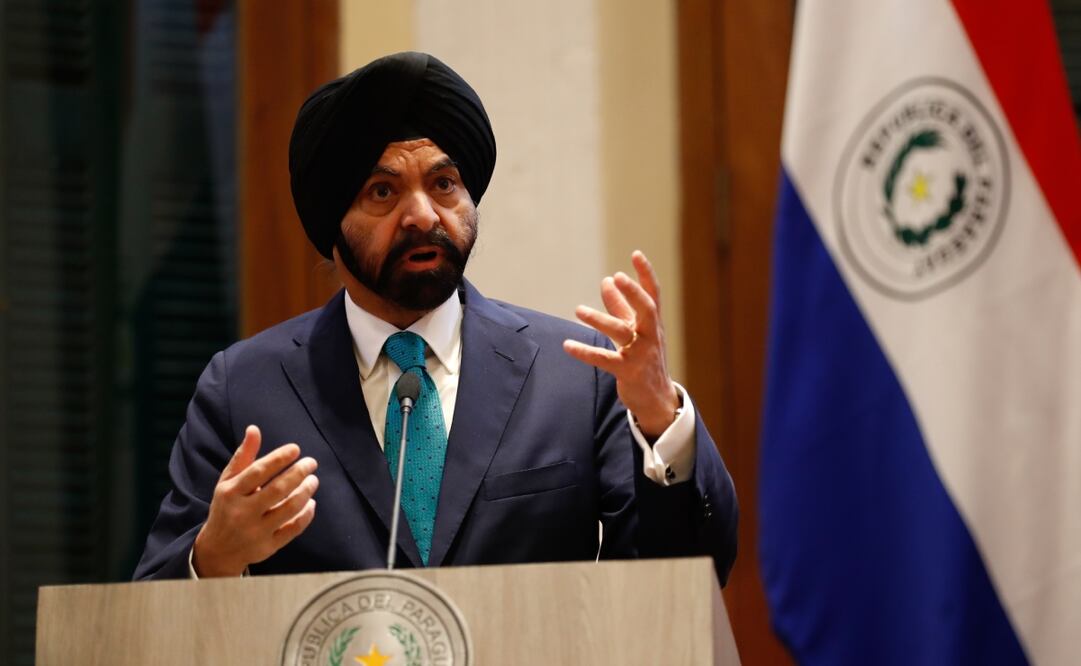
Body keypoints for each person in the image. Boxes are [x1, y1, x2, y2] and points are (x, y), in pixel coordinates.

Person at [133, 52, 737, 583]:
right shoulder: (243, 389)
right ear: (331, 227)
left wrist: (661, 419)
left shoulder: (574, 376)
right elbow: (152, 620)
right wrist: (212, 557)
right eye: (382, 191)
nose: (423, 215)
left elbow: (688, 577)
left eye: (444, 183)